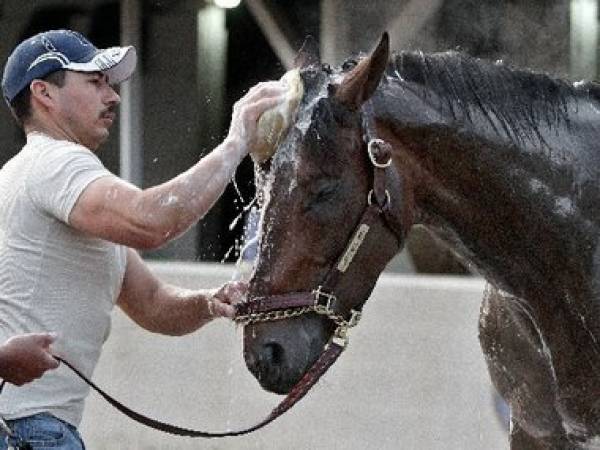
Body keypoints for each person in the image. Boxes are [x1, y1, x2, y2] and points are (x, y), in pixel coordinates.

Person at [0, 29, 287, 448]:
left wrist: (211, 302)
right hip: (24, 428)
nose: (113, 96)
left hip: (32, 426)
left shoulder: (40, 179)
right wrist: (235, 142)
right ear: (43, 93)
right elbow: (151, 222)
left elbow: (153, 304)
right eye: (95, 82)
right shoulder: (54, 162)